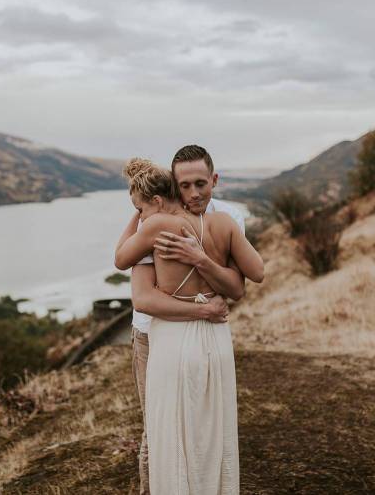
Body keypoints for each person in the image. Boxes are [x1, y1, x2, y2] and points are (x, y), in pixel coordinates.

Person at [115, 149, 263, 494]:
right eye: (185, 186)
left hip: (171, 338)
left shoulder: (156, 226)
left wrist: (140, 218)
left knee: (167, 433)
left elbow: (121, 259)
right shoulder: (225, 223)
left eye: (201, 184)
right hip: (213, 335)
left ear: (214, 180)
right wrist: (207, 304)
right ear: (174, 186)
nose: (194, 193)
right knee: (213, 428)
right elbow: (253, 274)